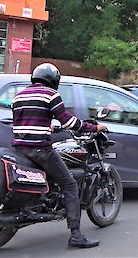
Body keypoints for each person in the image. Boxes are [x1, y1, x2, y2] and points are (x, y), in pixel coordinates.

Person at [11, 63, 107, 248]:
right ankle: (76, 236)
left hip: (20, 149)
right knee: (70, 185)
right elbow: (70, 122)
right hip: (40, 150)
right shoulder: (50, 94)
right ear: (54, 80)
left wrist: (49, 127)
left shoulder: (19, 94)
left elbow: (26, 120)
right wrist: (94, 127)